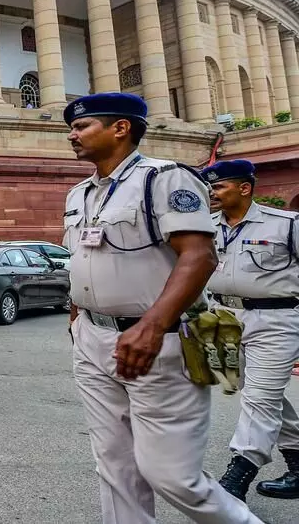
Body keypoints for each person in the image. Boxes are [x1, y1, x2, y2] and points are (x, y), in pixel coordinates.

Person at [61, 92, 259, 523]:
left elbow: (199, 256)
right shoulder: (80, 193)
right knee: (114, 466)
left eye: (82, 126)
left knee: (172, 476)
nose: (72, 135)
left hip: (158, 341)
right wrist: (78, 314)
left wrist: (152, 325)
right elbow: (86, 259)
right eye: (72, 128)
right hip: (94, 339)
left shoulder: (164, 179)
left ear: (121, 128)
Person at [202, 159, 299, 501]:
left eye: (219, 186)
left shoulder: (286, 224)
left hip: (275, 320)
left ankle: (237, 477)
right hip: (221, 318)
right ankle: (298, 462)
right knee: (258, 394)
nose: (212, 193)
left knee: (260, 398)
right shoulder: (204, 226)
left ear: (244, 188)